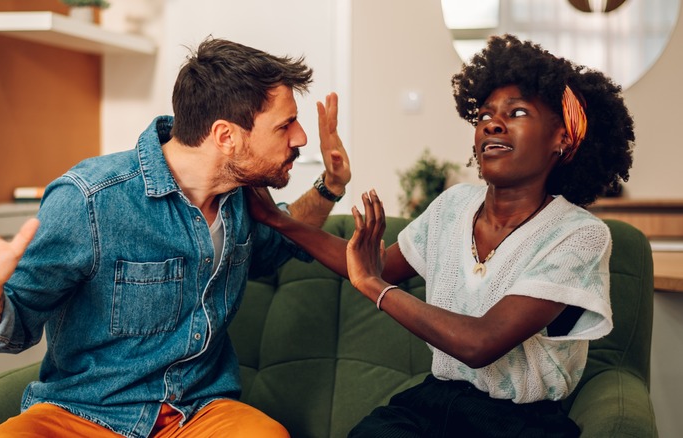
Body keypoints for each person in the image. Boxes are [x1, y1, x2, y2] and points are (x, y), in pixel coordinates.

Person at [0, 37, 351, 438]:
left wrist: (331, 185)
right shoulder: (90, 201)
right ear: (226, 136)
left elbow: (284, 239)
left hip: (198, 413)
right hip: (83, 413)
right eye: (285, 125)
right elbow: (7, 332)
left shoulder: (239, 198)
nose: (301, 137)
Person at [246, 34, 634, 437]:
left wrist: (375, 287)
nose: (492, 124)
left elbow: (481, 343)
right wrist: (278, 220)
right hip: (435, 402)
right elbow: (375, 266)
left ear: (562, 138)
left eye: (517, 112)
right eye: (484, 116)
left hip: (520, 422)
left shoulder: (579, 235)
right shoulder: (454, 205)